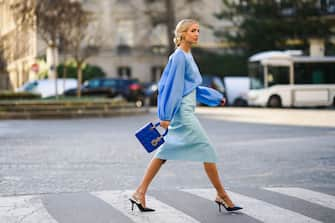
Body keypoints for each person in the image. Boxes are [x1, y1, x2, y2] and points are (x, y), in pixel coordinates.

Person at [129, 19, 243, 213]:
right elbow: (170, 87)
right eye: (193, 31)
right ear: (182, 34)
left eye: (198, 30)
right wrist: (165, 115)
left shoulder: (188, 55)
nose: (197, 34)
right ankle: (222, 195)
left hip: (187, 109)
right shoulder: (179, 57)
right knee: (207, 149)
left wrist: (214, 98)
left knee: (163, 154)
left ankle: (139, 193)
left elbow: (192, 87)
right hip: (182, 112)